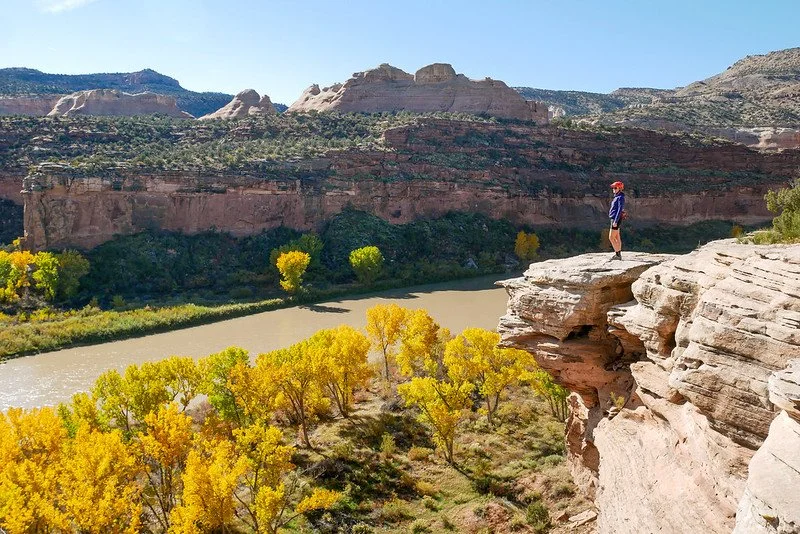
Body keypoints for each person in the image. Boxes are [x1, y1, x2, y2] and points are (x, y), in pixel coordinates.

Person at [608, 181, 625, 260]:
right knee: (617, 237)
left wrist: (615, 221)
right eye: (613, 188)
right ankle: (619, 254)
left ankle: (617, 255)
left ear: (620, 188)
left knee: (611, 237)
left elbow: (619, 210)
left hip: (616, 219)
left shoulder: (620, 197)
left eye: (615, 188)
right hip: (616, 219)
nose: (613, 189)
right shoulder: (617, 197)